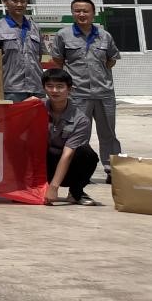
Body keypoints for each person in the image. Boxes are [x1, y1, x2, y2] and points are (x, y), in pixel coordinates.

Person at [50, 0, 122, 180]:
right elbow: (58, 60)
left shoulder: (104, 35)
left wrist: (100, 75)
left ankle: (112, 170)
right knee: (78, 133)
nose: (81, 14)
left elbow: (112, 59)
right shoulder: (63, 35)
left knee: (108, 133)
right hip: (78, 94)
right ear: (72, 13)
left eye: (86, 11)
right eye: (77, 11)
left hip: (104, 93)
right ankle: (80, 171)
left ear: (93, 13)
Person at [42, 68, 101, 206]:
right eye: (50, 86)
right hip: (41, 163)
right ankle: (31, 187)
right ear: (43, 88)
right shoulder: (37, 107)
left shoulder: (80, 120)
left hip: (65, 167)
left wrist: (54, 187)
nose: (54, 90)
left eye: (60, 86)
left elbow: (67, 155)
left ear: (70, 89)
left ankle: (75, 193)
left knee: (87, 154)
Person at [0, 0, 45, 102]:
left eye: (23, 1)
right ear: (5, 2)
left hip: (36, 87)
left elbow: (39, 56)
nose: (19, 4)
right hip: (10, 89)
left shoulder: (35, 28)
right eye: (15, 1)